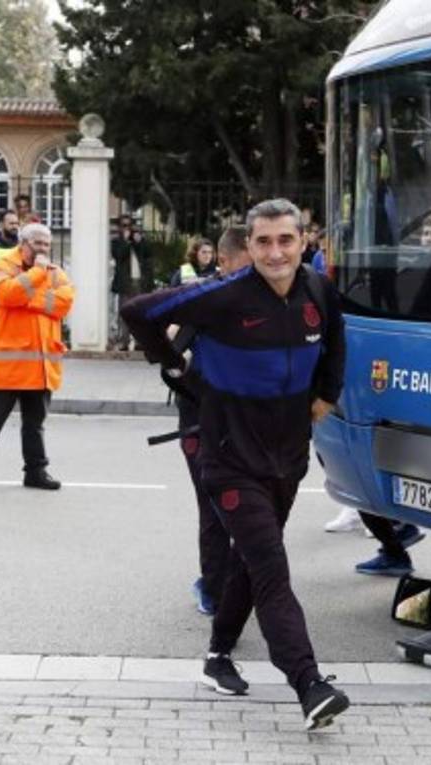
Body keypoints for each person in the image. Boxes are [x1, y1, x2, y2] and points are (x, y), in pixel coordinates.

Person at [120, 199, 350, 730]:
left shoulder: (318, 291)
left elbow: (336, 338)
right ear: (248, 247)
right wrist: (178, 366)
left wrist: (328, 394)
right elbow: (138, 311)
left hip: (287, 455)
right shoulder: (222, 296)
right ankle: (308, 682)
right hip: (229, 458)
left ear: (303, 243)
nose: (275, 252)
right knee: (271, 566)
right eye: (264, 242)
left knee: (252, 562)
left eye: (285, 241)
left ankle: (218, 654)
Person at [0, 223, 74, 491]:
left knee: (34, 424)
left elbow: (65, 302)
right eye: (38, 243)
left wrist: (29, 298)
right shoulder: (3, 265)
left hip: (41, 366)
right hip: (8, 365)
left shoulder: (55, 272)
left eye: (47, 244)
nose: (43, 249)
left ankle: (35, 471)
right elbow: (7, 294)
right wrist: (37, 275)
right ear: (23, 243)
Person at [176, 226, 251, 616]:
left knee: (249, 506)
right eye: (251, 254)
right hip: (201, 420)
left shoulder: (267, 297)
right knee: (214, 503)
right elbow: (170, 349)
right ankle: (214, 587)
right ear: (226, 261)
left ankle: (234, 582)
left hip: (248, 420)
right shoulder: (204, 297)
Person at [110, 215, 153, 349]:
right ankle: (124, 342)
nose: (127, 228)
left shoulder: (138, 241)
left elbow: (148, 253)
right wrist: (127, 242)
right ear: (120, 228)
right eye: (124, 225)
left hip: (140, 282)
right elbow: (119, 256)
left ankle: (140, 342)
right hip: (125, 285)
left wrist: (139, 242)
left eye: (129, 225)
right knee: (125, 314)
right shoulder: (116, 242)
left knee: (140, 314)